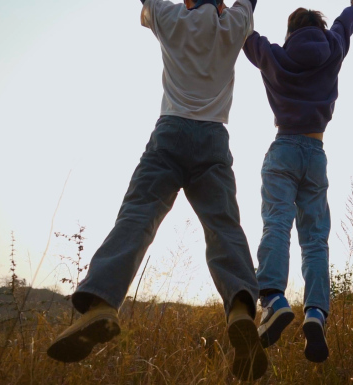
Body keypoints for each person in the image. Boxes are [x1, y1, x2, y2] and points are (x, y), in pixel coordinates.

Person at [47, 0, 268, 380]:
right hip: (214, 139)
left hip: (170, 134)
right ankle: (241, 310)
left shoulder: (170, 17)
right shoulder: (235, 22)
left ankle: (101, 304)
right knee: (224, 226)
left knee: (139, 214)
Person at [242, 0, 353, 363]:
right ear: (319, 29)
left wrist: (223, 9)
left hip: (283, 149)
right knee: (314, 239)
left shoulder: (275, 55)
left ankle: (275, 299)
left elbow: (244, 34)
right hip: (316, 150)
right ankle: (315, 312)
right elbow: (347, 22)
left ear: (291, 32)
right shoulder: (332, 49)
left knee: (277, 222)